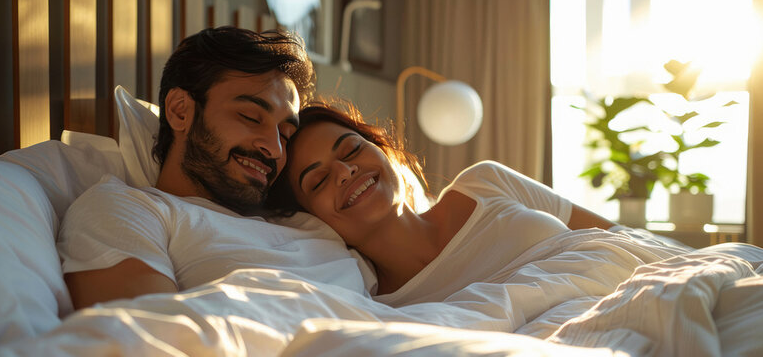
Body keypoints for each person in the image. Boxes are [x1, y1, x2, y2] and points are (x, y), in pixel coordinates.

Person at [58, 27, 370, 311]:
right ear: (180, 111)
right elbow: (145, 335)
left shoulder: (312, 223)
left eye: (285, 135)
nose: (275, 150)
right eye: (251, 117)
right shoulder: (128, 210)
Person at [268, 101, 645, 306]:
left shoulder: (486, 182)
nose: (345, 171)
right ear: (311, 218)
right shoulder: (383, 307)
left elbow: (621, 238)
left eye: (351, 149)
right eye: (318, 180)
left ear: (382, 150)